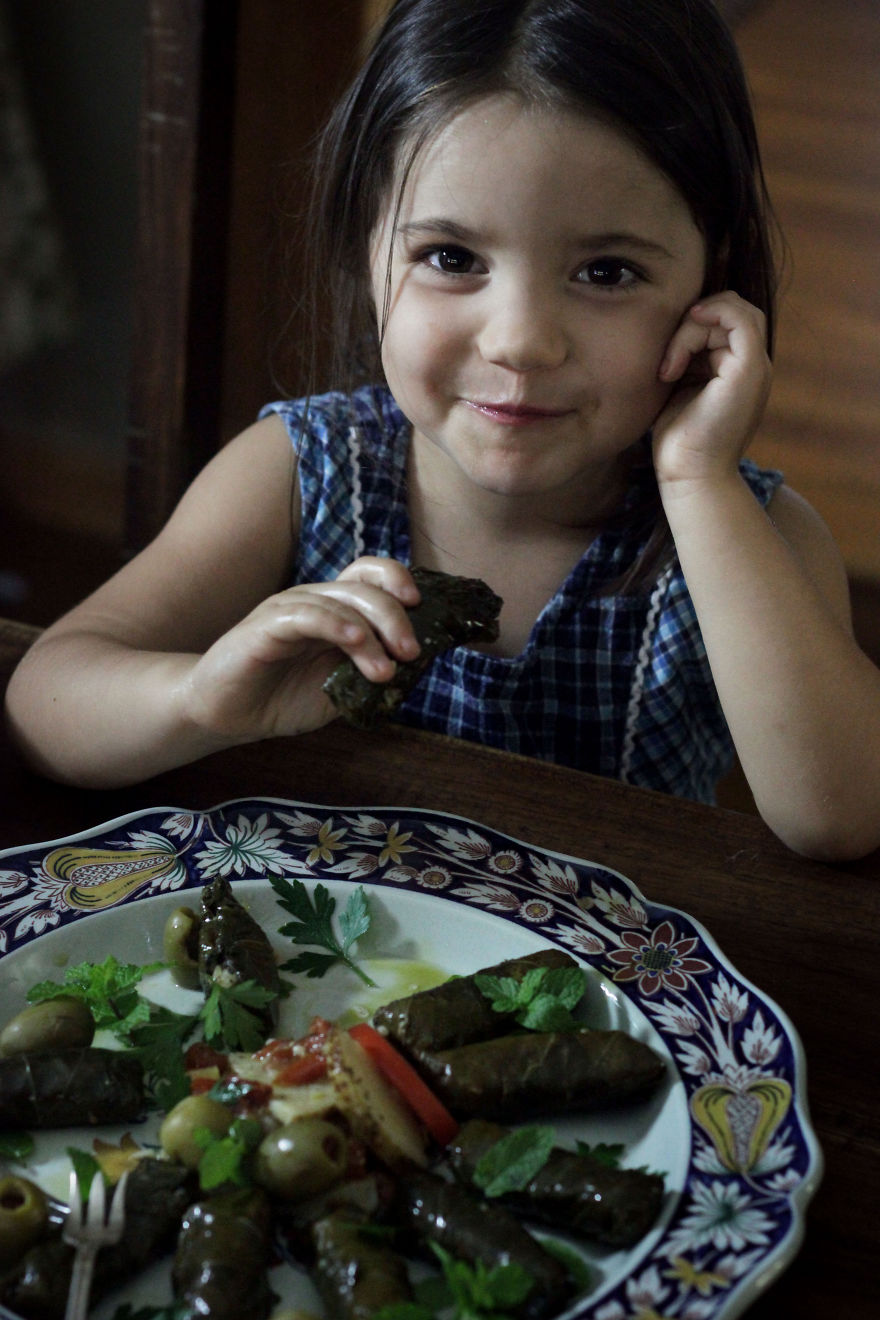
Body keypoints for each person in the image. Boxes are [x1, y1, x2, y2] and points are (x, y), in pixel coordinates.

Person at [6, 0, 880, 860]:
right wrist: (197, 697)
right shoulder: (302, 473)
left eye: (607, 271)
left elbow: (842, 814)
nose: (522, 341)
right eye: (452, 259)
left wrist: (697, 481)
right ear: (367, 245)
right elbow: (42, 701)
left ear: (711, 280)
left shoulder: (747, 532)